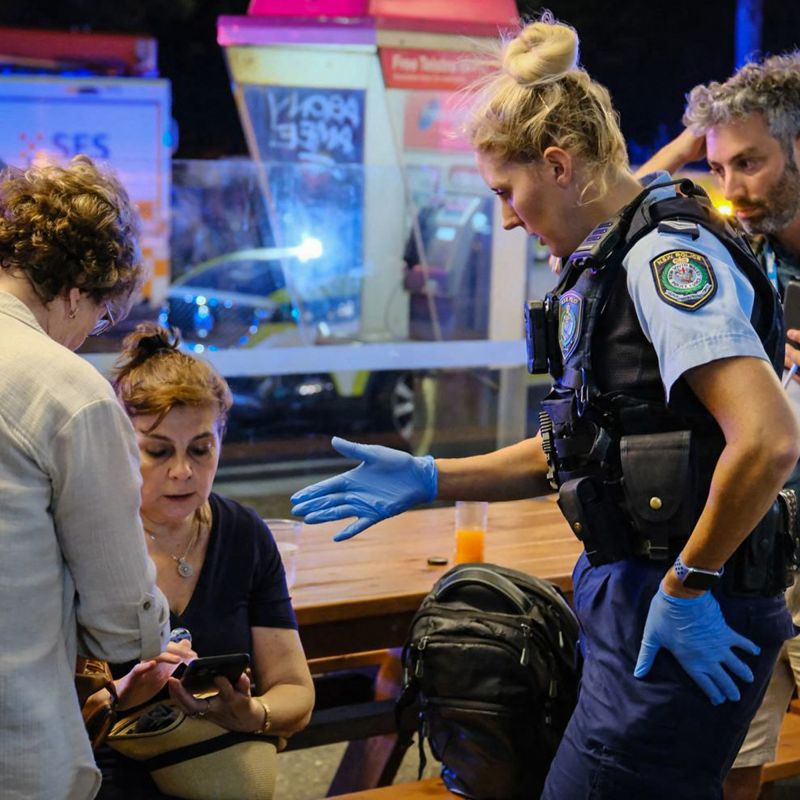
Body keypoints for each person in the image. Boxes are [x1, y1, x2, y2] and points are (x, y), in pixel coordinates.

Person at [290, 17, 800, 799]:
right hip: (641, 599)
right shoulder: (614, 255)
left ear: (558, 164)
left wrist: (687, 584)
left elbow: (767, 441)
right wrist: (435, 476)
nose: (504, 217)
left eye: (506, 191)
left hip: (681, 608)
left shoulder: (663, 259)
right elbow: (594, 447)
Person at [638, 52, 800, 800]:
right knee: (735, 757)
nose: (729, 190)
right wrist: (694, 134)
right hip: (755, 541)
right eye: (718, 166)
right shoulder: (742, 248)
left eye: (751, 163)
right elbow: (621, 206)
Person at [0, 155, 170, 800]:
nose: (83, 338)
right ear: (77, 287)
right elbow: (123, 626)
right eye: (99, 316)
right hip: (16, 749)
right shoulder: (69, 392)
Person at [94, 322, 314, 799]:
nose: (182, 472)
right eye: (157, 451)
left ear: (221, 441)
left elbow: (296, 694)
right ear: (119, 447)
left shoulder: (242, 533)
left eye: (200, 449)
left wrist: (253, 713)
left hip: (219, 778)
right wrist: (121, 695)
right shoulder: (90, 536)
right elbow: (36, 712)